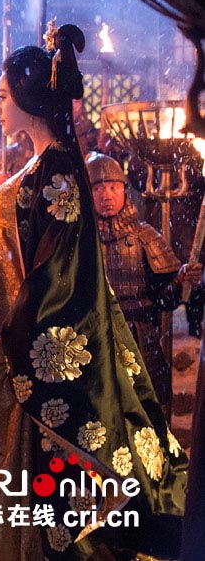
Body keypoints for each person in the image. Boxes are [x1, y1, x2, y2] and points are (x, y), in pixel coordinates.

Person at [0, 23, 186, 560]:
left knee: (31, 453)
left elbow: (61, 264)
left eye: (3, 96)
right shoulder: (41, 164)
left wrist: (19, 330)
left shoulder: (58, 167)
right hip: (2, 313)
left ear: (29, 99)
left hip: (25, 321)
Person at [88, 152, 202, 417]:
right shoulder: (79, 240)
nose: (107, 196)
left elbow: (163, 300)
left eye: (113, 187)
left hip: (140, 339)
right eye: (98, 188)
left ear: (124, 190)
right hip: (95, 339)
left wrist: (181, 280)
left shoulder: (145, 236)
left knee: (147, 414)